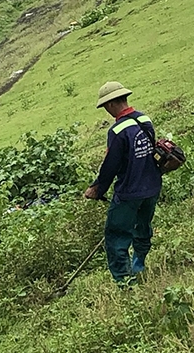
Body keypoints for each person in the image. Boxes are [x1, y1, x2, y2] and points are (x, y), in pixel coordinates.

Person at [84, 81, 162, 285]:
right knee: (143, 227)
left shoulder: (118, 130)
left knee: (116, 236)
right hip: (152, 186)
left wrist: (97, 188)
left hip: (129, 191)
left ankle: (125, 282)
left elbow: (111, 166)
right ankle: (139, 265)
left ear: (110, 105)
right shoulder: (145, 119)